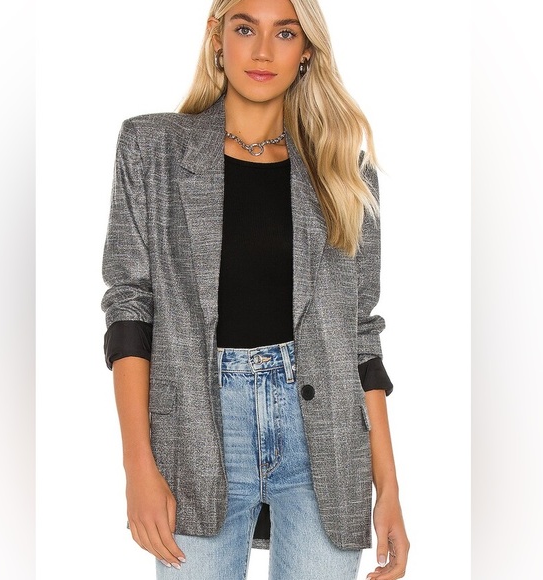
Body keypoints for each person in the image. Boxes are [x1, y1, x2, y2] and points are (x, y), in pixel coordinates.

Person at [101, 0, 410, 578]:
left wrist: (388, 488)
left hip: (325, 443)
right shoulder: (152, 148)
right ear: (217, 37)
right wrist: (137, 464)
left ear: (307, 51)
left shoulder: (345, 172)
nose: (263, 51)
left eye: (285, 34)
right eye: (246, 28)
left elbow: (360, 338)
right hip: (197, 430)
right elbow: (130, 309)